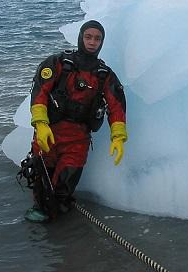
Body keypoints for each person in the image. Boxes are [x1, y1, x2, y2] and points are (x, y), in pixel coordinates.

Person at [23, 20, 127, 222]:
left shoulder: (105, 76)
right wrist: (41, 124)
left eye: (97, 38)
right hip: (49, 134)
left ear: (102, 42)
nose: (92, 42)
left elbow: (117, 107)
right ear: (80, 37)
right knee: (42, 183)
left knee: (64, 187)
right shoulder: (58, 63)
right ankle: (42, 221)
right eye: (88, 37)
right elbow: (40, 93)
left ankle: (57, 209)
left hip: (77, 140)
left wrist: (118, 137)